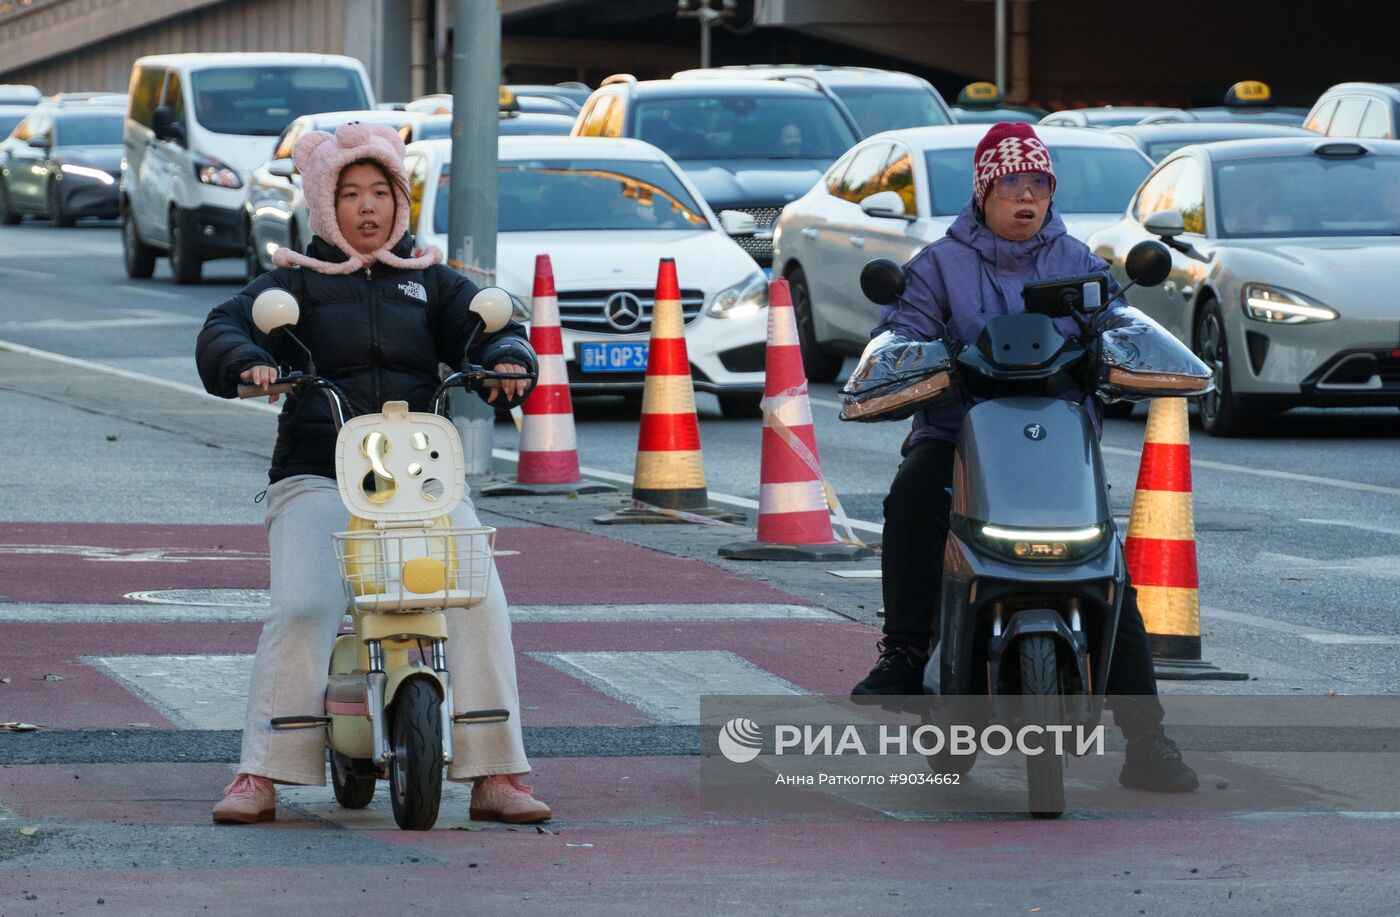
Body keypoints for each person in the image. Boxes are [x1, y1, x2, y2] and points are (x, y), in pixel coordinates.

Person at [197, 122, 552, 824]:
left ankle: (496, 770)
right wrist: (246, 361)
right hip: (317, 475)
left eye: (381, 192)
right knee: (302, 605)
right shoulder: (291, 285)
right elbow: (222, 327)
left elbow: (489, 329)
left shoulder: (434, 284)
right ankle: (261, 770)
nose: (368, 207)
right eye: (350, 192)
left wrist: (508, 358)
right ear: (324, 202)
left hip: (422, 483)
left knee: (480, 599)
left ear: (402, 200)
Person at [850, 122, 1199, 793]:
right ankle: (904, 649)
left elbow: (1116, 321)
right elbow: (902, 328)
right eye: (1011, 183)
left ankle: (1148, 741)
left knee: (1105, 563)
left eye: (1038, 183)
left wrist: (1127, 348)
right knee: (912, 497)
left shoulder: (1078, 261)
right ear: (982, 191)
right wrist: (903, 358)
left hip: (1059, 436)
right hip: (958, 434)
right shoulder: (938, 266)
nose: (1026, 196)